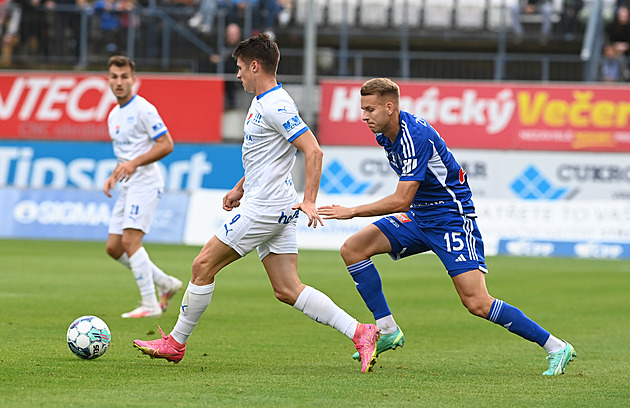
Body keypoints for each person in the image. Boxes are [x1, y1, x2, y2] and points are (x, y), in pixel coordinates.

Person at [133, 33, 380, 374]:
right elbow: (266, 159)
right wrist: (239, 187)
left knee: (202, 266)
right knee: (287, 288)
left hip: (265, 209)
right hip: (273, 205)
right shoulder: (263, 101)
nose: (237, 75)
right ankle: (361, 332)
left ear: (254, 65)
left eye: (239, 68)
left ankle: (175, 343)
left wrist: (310, 201)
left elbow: (313, 150)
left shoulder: (276, 105)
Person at [318, 78, 577, 376]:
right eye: (362, 109)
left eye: (370, 109)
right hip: (420, 217)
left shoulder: (413, 135)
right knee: (353, 249)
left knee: (477, 302)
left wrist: (351, 211)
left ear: (390, 107)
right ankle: (387, 329)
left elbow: (402, 199)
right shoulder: (385, 134)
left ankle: (556, 347)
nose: (364, 116)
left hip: (450, 218)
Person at [104, 55, 183, 319]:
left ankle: (149, 304)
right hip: (129, 185)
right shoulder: (114, 115)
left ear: (133, 80)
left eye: (124, 77)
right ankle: (165, 282)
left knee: (130, 240)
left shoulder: (144, 109)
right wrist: (115, 174)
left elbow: (166, 144)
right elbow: (125, 155)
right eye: (114, 77)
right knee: (114, 248)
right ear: (109, 80)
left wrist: (134, 164)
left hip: (146, 183)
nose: (119, 82)